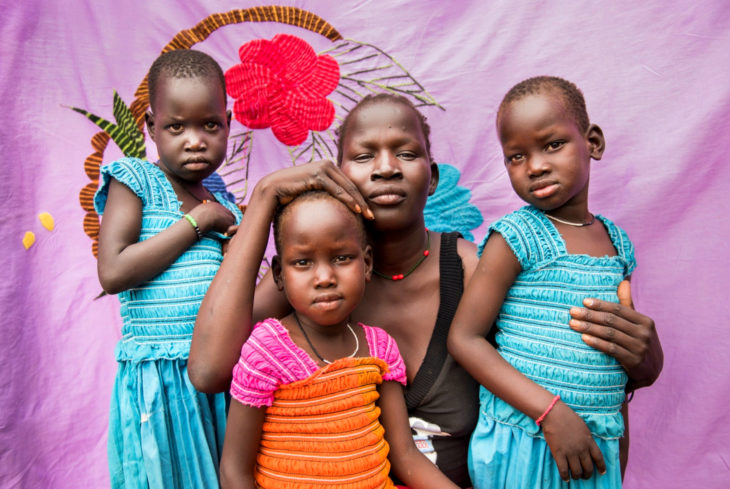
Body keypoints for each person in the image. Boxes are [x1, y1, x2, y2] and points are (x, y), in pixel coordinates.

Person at [190, 93, 662, 488]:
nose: (386, 168)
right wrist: (268, 197)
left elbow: (576, 373)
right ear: (335, 176)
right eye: (362, 156)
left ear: (432, 178)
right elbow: (210, 370)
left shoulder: (479, 270)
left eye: (407, 153)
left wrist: (645, 361)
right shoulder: (310, 291)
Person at [447, 76, 660, 488]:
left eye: (552, 145)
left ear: (592, 142)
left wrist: (619, 448)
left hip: (595, 447)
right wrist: (551, 413)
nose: (536, 166)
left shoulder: (617, 244)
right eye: (516, 156)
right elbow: (464, 339)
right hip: (526, 437)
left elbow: (615, 355)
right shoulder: (516, 237)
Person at [218, 190, 460, 489]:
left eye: (342, 258)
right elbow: (234, 472)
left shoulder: (380, 348)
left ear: (367, 263)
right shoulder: (266, 351)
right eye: (303, 262)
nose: (324, 277)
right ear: (279, 274)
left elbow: (405, 455)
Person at [94, 49, 242, 489]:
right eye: (176, 127)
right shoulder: (135, 181)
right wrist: (200, 222)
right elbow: (114, 271)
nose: (194, 139)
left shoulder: (225, 203)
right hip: (158, 380)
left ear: (228, 124)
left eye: (209, 125)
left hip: (217, 377)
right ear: (150, 128)